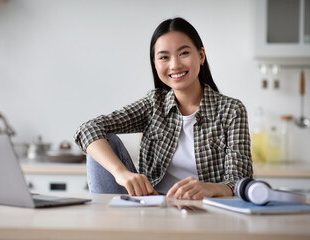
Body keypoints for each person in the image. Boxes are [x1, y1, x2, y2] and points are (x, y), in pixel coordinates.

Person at [74, 17, 253, 200]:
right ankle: (109, 225)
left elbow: (239, 181)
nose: (174, 65)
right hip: (151, 206)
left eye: (183, 53)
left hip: (205, 207)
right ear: (155, 63)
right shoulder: (153, 105)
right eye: (164, 57)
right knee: (103, 140)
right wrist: (121, 173)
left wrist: (209, 188)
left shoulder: (231, 110)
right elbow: (87, 129)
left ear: (201, 56)